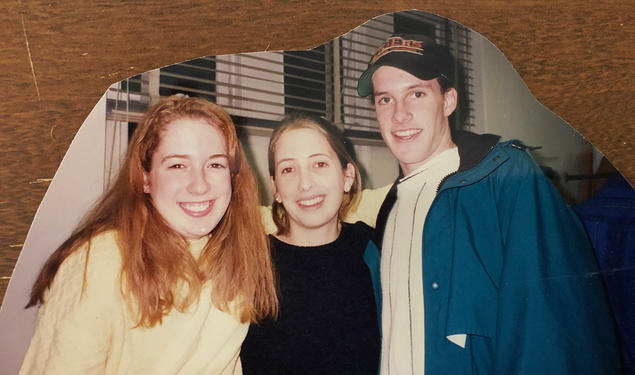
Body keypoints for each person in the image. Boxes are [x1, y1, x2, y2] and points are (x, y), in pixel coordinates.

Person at [356, 34, 621, 374]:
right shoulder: (389, 208)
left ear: (448, 101)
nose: (400, 115)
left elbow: (552, 329)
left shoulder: (504, 178)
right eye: (385, 100)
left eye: (417, 94)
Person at [19, 96, 278, 375]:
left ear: (233, 176)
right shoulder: (101, 261)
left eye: (215, 164)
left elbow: (304, 212)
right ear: (145, 178)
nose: (200, 185)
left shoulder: (244, 235)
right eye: (178, 165)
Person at [240, 114, 380, 375]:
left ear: (347, 176)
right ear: (276, 189)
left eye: (319, 164)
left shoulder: (374, 249)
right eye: (288, 169)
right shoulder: (252, 263)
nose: (305, 183)